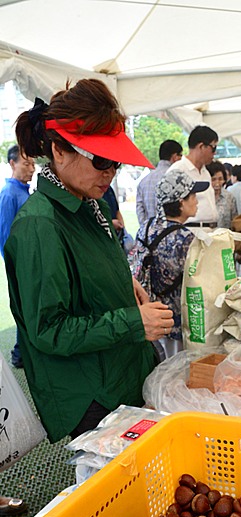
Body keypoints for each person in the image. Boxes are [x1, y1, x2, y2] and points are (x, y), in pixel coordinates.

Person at [4, 79, 174, 443]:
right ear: (59, 151)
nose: (110, 172)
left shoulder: (89, 203)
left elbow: (88, 266)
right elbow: (49, 330)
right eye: (100, 159)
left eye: (115, 161)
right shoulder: (39, 225)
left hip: (120, 372)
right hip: (92, 393)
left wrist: (122, 282)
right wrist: (133, 323)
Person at [133, 172, 208, 358]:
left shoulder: (146, 227)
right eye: (193, 196)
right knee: (173, 372)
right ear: (181, 202)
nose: (197, 201)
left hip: (148, 316)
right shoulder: (187, 239)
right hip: (174, 324)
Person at [0, 145, 35, 368]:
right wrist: (17, 267)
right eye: (26, 164)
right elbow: (5, 237)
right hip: (21, 265)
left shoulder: (25, 191)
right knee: (25, 309)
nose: (31, 168)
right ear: (12, 164)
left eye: (33, 164)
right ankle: (19, 355)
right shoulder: (8, 195)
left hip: (31, 262)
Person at [167, 125, 218, 227]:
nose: (215, 153)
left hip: (210, 230)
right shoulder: (178, 170)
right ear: (201, 147)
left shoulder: (205, 172)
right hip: (191, 230)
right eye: (213, 147)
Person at [135, 139, 183, 223]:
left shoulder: (144, 181)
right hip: (172, 231)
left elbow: (140, 211)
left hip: (150, 232)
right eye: (181, 156)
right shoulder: (176, 179)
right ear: (175, 157)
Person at [207, 161, 238, 229]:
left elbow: (234, 221)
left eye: (220, 179)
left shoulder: (230, 197)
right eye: (213, 179)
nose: (217, 183)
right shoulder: (203, 197)